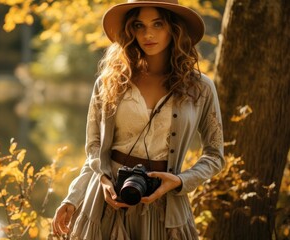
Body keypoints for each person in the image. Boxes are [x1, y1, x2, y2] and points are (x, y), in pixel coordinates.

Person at [52, 0, 224, 239]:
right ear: (130, 30)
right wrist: (77, 195)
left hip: (166, 207)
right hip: (107, 202)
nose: (148, 34)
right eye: (139, 25)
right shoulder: (110, 81)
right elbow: (94, 150)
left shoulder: (201, 87)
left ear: (173, 28)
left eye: (157, 24)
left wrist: (180, 181)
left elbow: (215, 155)